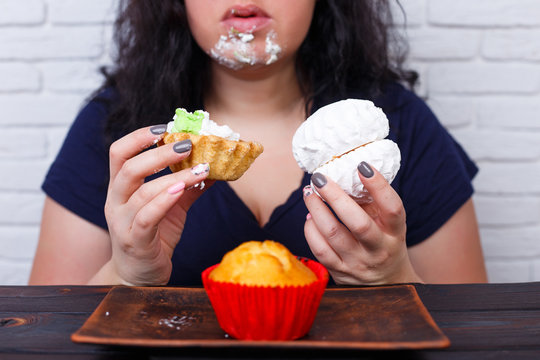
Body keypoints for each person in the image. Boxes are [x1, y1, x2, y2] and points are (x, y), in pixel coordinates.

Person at [29, 0, 487, 286]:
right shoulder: (116, 131)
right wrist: (125, 275)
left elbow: (472, 331)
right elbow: (44, 334)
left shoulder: (395, 124)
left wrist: (396, 278)